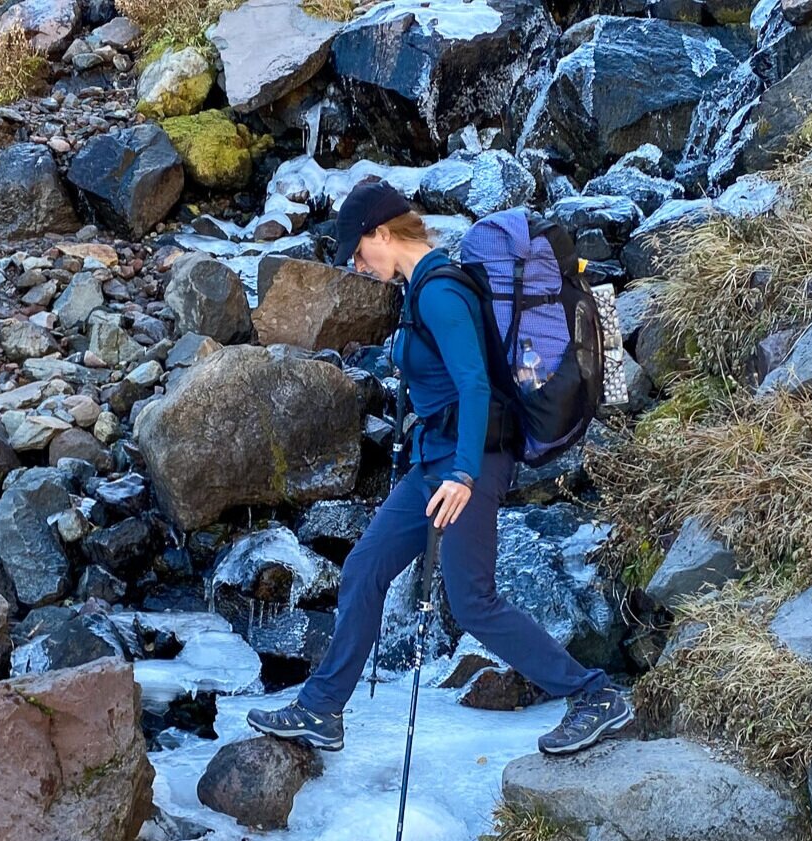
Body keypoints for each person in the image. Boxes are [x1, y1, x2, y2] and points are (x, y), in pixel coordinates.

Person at [246, 179, 633, 756]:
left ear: (382, 233)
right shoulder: (418, 289)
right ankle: (322, 710)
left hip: (469, 463)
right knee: (365, 567)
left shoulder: (439, 294)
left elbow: (476, 386)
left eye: (358, 250)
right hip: (433, 461)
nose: (358, 263)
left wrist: (465, 474)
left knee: (472, 600)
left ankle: (593, 694)